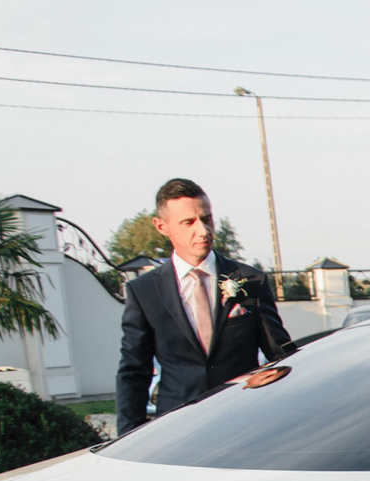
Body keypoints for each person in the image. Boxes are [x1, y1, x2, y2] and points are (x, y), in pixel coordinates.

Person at [114, 178, 289, 434]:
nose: (203, 230)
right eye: (189, 222)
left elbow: (280, 355)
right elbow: (133, 372)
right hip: (177, 426)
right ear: (161, 226)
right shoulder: (144, 292)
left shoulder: (250, 280)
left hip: (246, 419)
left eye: (207, 219)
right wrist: (129, 438)